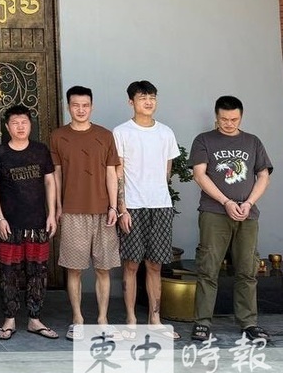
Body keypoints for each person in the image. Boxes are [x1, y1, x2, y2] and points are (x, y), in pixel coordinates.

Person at [188, 95, 272, 343]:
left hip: (247, 214)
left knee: (247, 269)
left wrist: (249, 203)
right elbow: (199, 175)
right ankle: (202, 322)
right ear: (216, 117)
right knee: (208, 268)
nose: (229, 123)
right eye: (224, 119)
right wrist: (225, 201)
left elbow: (263, 175)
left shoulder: (252, 142)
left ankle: (249, 322)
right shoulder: (204, 140)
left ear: (241, 117)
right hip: (214, 213)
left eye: (234, 119)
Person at [50, 86, 120, 341]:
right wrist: (58, 206)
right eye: (76, 105)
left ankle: (102, 319)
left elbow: (112, 173)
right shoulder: (58, 136)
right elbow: (56, 175)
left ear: (92, 106)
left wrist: (114, 206)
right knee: (74, 269)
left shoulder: (105, 135)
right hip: (72, 211)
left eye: (85, 105)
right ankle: (77, 319)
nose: (81, 109)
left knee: (103, 269)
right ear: (68, 106)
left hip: (103, 211)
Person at [113, 81, 180, 339]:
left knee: (155, 265)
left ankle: (155, 319)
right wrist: (122, 209)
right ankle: (131, 320)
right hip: (132, 206)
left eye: (152, 96)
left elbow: (167, 171)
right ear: (131, 102)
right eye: (142, 97)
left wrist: (158, 193)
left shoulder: (166, 133)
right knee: (131, 264)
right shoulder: (121, 132)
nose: (149, 102)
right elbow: (118, 172)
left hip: (160, 205)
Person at [0, 105, 58, 341]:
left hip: (38, 222)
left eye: (24, 122)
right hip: (9, 224)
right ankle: (9, 319)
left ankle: (34, 319)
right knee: (9, 273)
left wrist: (51, 214)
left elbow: (50, 182)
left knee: (38, 272)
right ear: (7, 127)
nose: (20, 127)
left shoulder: (40, 150)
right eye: (15, 123)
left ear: (30, 125)